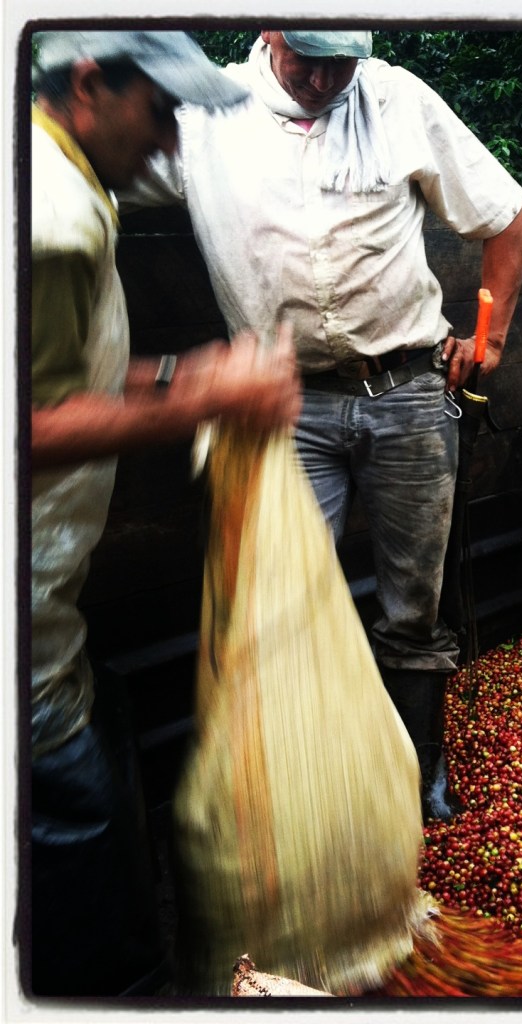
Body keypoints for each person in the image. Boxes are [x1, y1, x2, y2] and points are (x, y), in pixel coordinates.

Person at [125, 29, 522, 823]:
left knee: (415, 601)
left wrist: (492, 341)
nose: (319, 78)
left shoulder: (397, 100)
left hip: (408, 387)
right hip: (285, 401)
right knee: (281, 605)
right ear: (268, 31)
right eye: (303, 56)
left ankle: (419, 779)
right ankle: (310, 796)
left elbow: (506, 215)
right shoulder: (210, 116)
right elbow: (90, 168)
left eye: (338, 62)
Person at [27, 30, 301, 997]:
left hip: (52, 609)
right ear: (91, 81)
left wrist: (187, 369)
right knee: (90, 872)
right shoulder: (48, 212)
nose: (169, 144)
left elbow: (69, 374)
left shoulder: (68, 176)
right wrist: (207, 403)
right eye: (160, 112)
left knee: (103, 768)